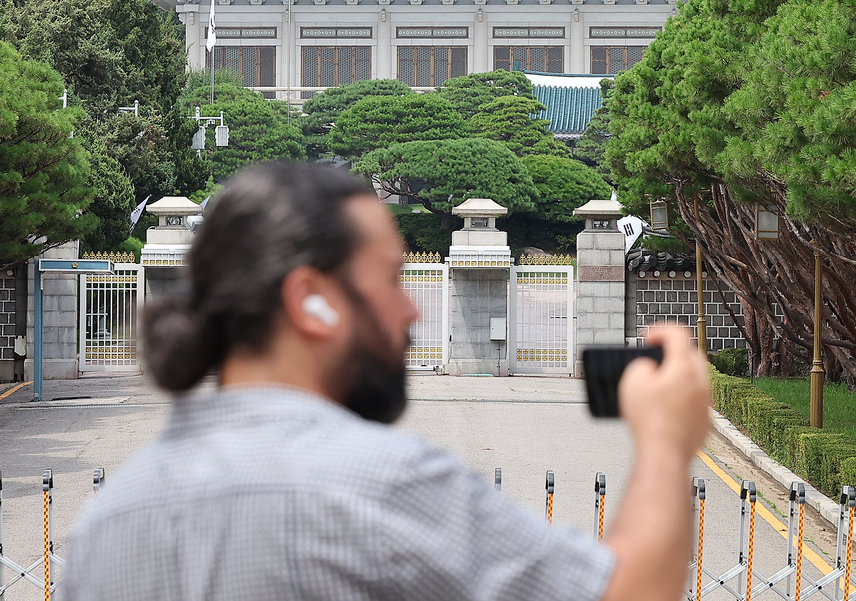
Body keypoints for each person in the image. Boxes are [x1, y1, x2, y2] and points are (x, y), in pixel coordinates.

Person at [57, 161, 711, 601]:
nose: (412, 309)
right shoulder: (380, 486)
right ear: (311, 300)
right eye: (392, 279)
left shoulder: (107, 524)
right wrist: (664, 441)